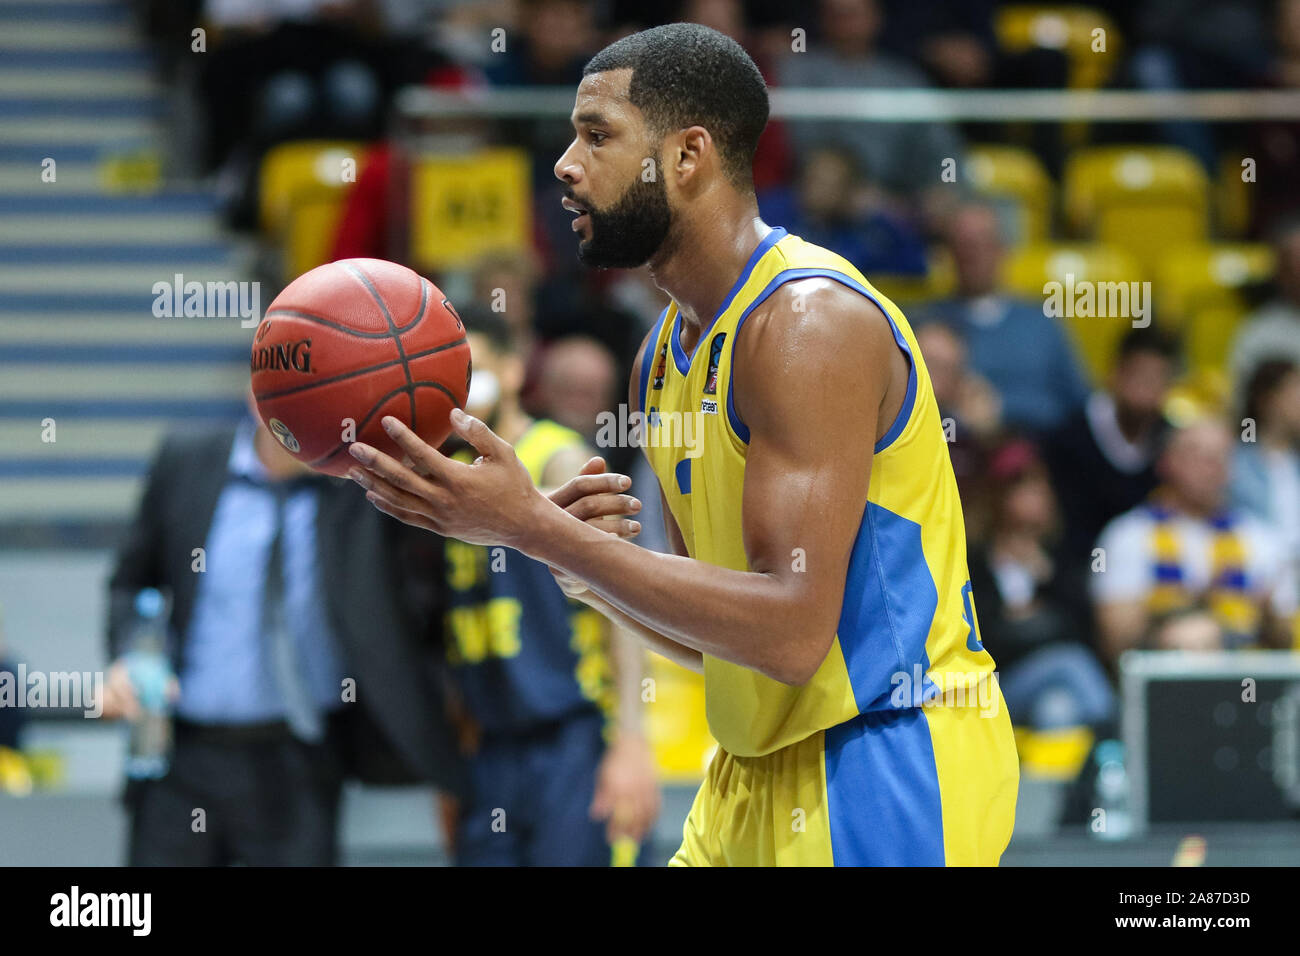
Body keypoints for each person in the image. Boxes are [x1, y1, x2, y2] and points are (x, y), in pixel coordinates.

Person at [346, 23, 1019, 866]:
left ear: (688, 154)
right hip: (750, 769)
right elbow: (722, 634)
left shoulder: (808, 325)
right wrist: (585, 563)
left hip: (884, 757)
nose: (564, 163)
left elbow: (789, 630)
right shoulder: (660, 356)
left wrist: (535, 530)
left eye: (597, 135)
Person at [103, 399, 466, 865]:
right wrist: (131, 656)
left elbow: (422, 584)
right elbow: (131, 582)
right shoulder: (186, 459)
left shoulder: (366, 484)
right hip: (183, 754)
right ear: (257, 393)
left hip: (301, 759)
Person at [438, 309, 660, 866]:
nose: (463, 394)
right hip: (490, 746)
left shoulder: (558, 456)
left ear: (513, 372)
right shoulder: (450, 477)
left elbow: (623, 598)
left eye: (475, 373)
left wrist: (632, 741)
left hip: (574, 736)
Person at [1090, 418, 1298, 667]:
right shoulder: (1127, 536)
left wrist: (1268, 617)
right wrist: (1193, 603)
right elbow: (1115, 644)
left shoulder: (1262, 539)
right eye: (1197, 454)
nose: (1212, 466)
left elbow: (1289, 644)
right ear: (1165, 462)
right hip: (1163, 691)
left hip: (1246, 690)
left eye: (1221, 456)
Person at [966, 441, 1113, 732]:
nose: (1035, 497)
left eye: (1039, 486)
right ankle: (1113, 732)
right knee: (1070, 662)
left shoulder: (1061, 556)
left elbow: (1084, 627)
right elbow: (982, 635)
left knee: (1056, 710)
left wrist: (1044, 580)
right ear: (998, 495)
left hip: (1053, 683)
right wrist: (1032, 622)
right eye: (1021, 486)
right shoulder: (976, 559)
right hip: (996, 684)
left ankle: (1047, 779)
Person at [923, 202, 1091, 436]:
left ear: (1002, 248)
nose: (973, 253)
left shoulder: (1042, 323)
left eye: (984, 242)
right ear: (949, 253)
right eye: (964, 244)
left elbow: (1079, 405)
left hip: (1041, 453)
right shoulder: (929, 328)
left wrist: (1003, 408)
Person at [1043, 326, 1177, 571]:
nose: (1146, 388)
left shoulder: (1171, 441)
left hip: (1152, 566)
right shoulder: (1069, 437)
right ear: (1115, 373)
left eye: (1158, 378)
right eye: (1139, 375)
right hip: (1079, 566)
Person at [1230, 360, 1300, 593]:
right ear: (1268, 399)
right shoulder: (1233, 461)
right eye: (1295, 392)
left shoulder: (1294, 463)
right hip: (1252, 578)